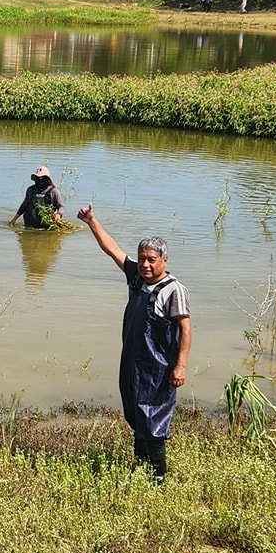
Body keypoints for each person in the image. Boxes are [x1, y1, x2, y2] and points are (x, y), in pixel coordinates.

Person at [75, 206, 191, 482]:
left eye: (152, 260)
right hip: (132, 359)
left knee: (154, 417)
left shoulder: (174, 290)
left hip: (158, 365)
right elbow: (112, 250)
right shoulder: (136, 278)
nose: (145, 265)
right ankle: (139, 465)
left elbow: (185, 329)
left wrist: (180, 366)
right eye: (142, 259)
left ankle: (158, 476)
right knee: (135, 412)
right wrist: (91, 221)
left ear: (164, 260)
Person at [8, 166, 66, 230]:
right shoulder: (30, 190)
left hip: (47, 225)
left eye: (42, 178)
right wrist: (14, 219)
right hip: (30, 224)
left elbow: (61, 206)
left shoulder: (53, 191)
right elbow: (24, 205)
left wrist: (58, 214)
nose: (40, 180)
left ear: (47, 179)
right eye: (38, 178)